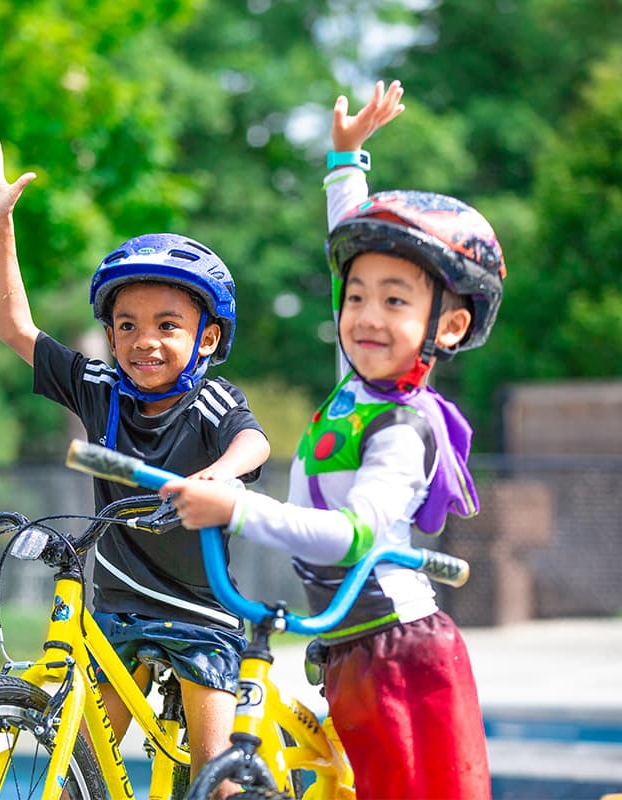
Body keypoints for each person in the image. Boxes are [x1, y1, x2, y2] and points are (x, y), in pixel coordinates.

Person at [158, 80, 506, 800]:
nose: (367, 315)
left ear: (448, 327)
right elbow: (352, 239)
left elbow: (349, 538)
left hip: (404, 658)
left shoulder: (400, 429)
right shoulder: (358, 387)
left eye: (396, 301)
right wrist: (347, 157)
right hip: (348, 649)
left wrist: (236, 510)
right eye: (356, 297)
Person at [0, 141, 272, 791]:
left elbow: (253, 443)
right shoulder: (99, 386)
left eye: (166, 325)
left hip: (197, 612)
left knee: (215, 775)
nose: (142, 341)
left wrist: (220, 475)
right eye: (126, 325)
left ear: (207, 337)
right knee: (86, 761)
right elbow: (16, 329)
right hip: (117, 609)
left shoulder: (210, 400)